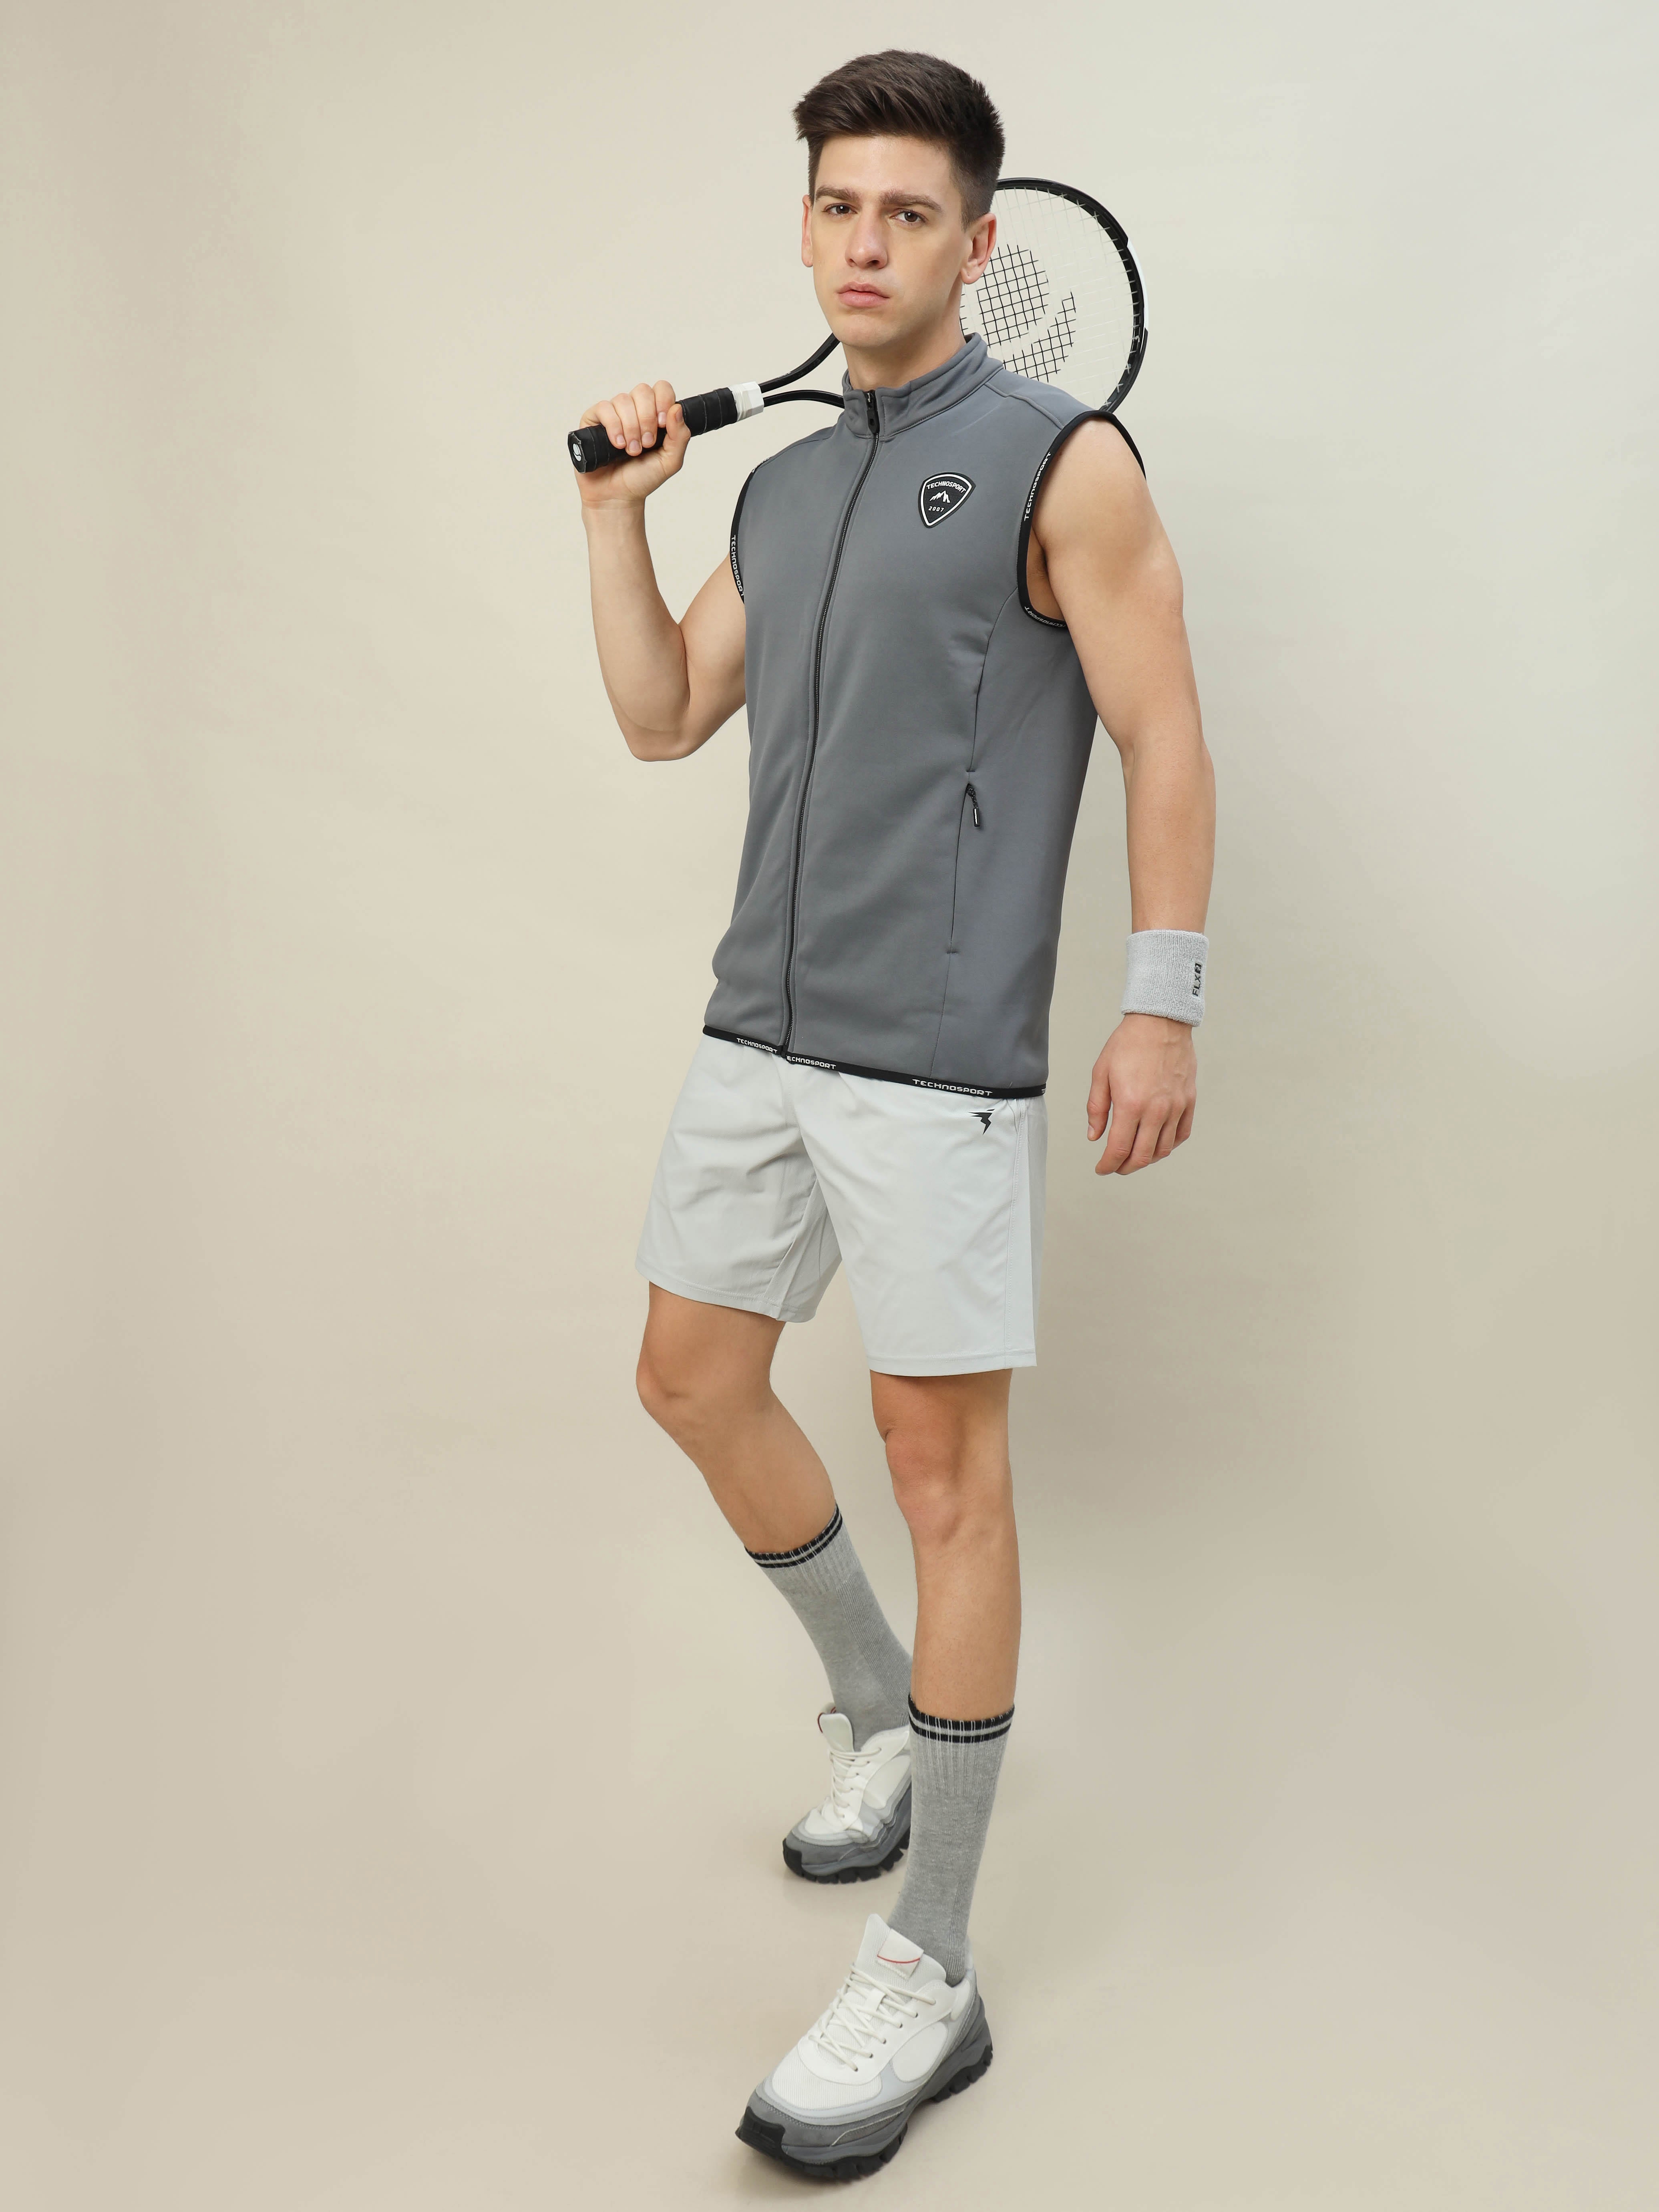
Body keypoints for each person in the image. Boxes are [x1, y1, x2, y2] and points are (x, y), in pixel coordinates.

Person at [574, 48, 1215, 2180]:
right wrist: (617, 517)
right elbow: (665, 712)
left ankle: (929, 1964)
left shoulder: (1063, 464)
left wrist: (1159, 1007)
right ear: (808, 227)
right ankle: (874, 1711)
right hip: (757, 1032)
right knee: (692, 1374)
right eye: (839, 207)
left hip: (938, 1060)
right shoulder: (780, 485)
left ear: (978, 245)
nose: (866, 243)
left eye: (908, 213)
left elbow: (1165, 733)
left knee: (947, 1474)